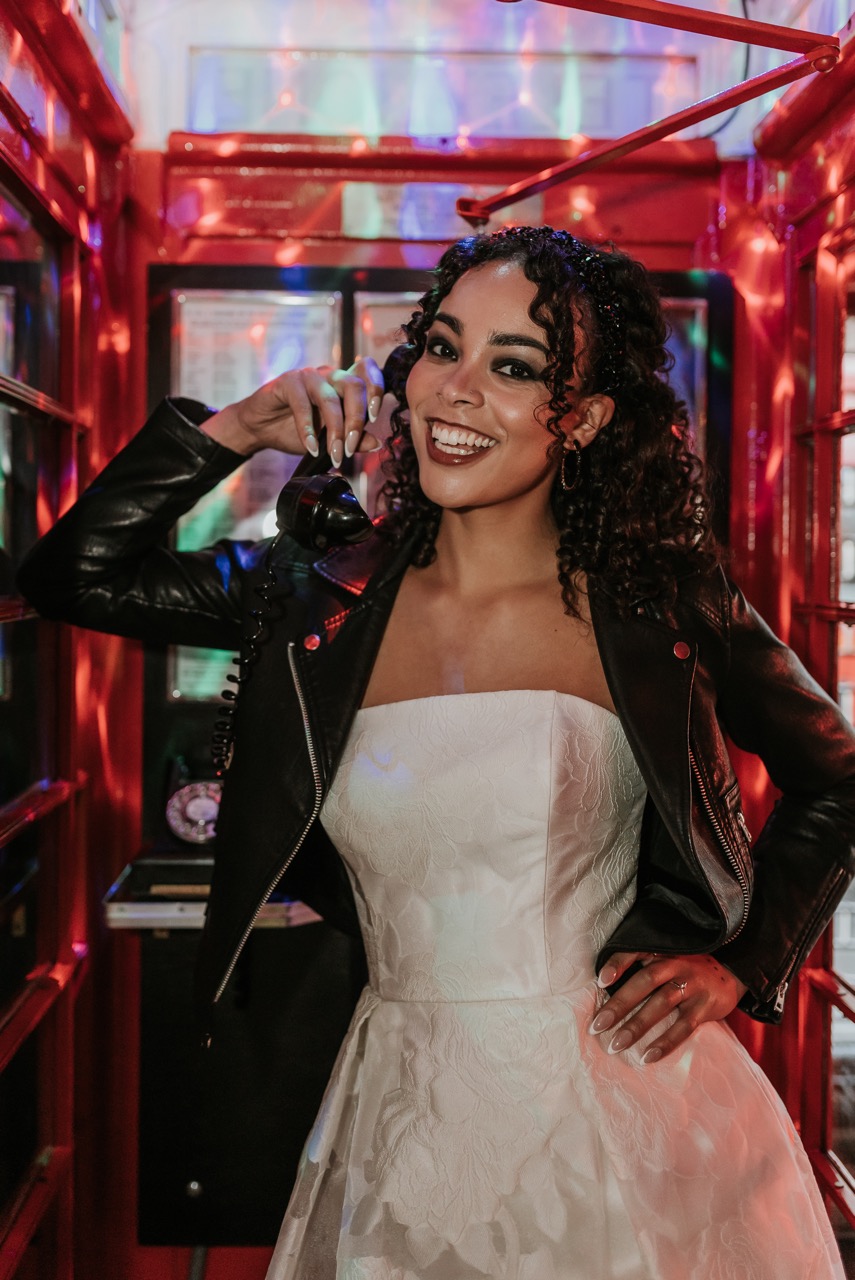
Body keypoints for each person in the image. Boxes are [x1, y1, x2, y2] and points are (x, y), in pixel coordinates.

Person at [18, 226, 855, 1279]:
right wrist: (234, 428)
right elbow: (72, 574)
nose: (455, 391)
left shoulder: (659, 606)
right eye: (443, 347)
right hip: (397, 1101)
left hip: (634, 1115)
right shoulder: (313, 598)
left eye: (516, 367)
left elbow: (840, 775)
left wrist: (744, 961)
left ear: (585, 419)